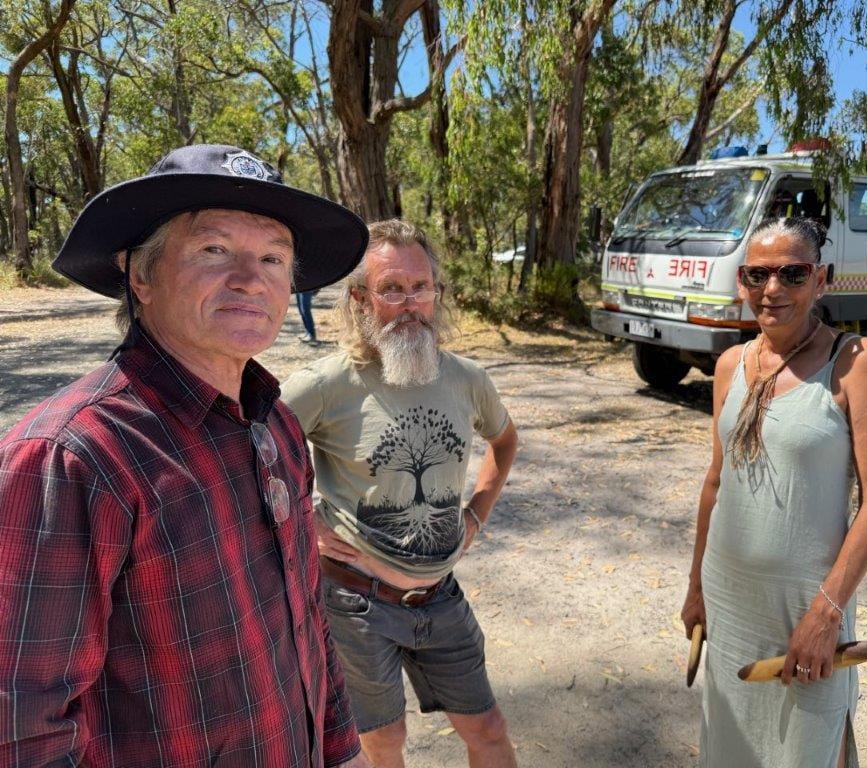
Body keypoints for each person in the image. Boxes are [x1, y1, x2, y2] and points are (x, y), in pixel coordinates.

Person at [0, 144, 372, 768]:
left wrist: (340, 747)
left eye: (274, 257)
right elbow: (22, 726)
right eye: (214, 249)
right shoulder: (70, 459)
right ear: (140, 276)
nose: (251, 279)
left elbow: (304, 617)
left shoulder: (275, 423)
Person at [281, 219, 519, 768]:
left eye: (421, 287)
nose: (409, 302)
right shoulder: (324, 383)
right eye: (392, 289)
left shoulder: (467, 378)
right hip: (355, 605)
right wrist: (302, 522)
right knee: (382, 745)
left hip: (440, 595)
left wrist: (475, 518)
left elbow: (504, 444)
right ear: (362, 299)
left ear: (436, 293)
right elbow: (246, 458)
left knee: (487, 727)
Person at [680, 217, 867, 768]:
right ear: (741, 282)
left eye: (792, 273)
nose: (772, 289)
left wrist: (826, 615)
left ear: (819, 279)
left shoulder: (855, 363)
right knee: (731, 749)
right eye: (758, 274)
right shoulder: (730, 364)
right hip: (730, 604)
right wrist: (696, 588)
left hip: (805, 609)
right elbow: (715, 482)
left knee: (807, 749)